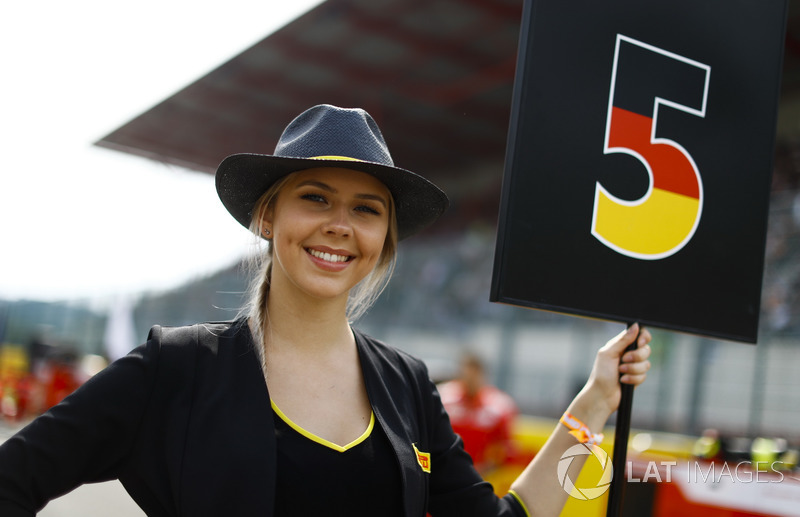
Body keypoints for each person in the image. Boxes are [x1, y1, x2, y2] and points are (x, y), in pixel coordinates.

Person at [0, 104, 652, 516]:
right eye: (315, 197)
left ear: (384, 240)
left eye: (366, 209)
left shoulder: (409, 387)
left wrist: (595, 400)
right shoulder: (174, 367)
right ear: (268, 215)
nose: (340, 224)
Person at [439, 352, 518, 475]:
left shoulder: (499, 406)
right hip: (442, 472)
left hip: (478, 476)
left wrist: (479, 471)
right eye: (466, 373)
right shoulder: (443, 398)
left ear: (483, 374)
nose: (470, 379)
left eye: (474, 373)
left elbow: (505, 450)